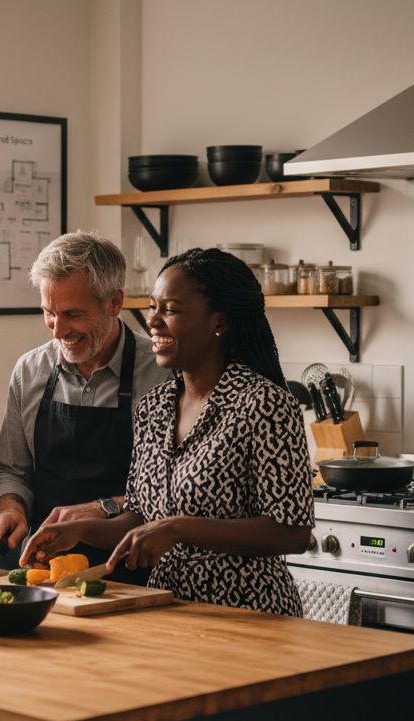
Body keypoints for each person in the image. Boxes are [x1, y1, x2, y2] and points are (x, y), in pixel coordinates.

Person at [22, 247, 313, 616]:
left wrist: (178, 528)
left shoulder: (265, 404)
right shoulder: (155, 406)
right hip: (167, 608)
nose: (153, 322)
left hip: (247, 611)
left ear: (218, 321)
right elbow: (141, 514)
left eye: (170, 310)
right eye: (153, 308)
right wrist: (81, 531)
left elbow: (292, 532)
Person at [0, 231, 169, 584]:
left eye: (72, 314)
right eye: (48, 313)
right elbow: (11, 469)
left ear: (114, 302)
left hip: (131, 570)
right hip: (42, 567)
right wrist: (11, 508)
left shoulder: (162, 373)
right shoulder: (30, 370)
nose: (57, 331)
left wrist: (101, 509)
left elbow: (168, 491)